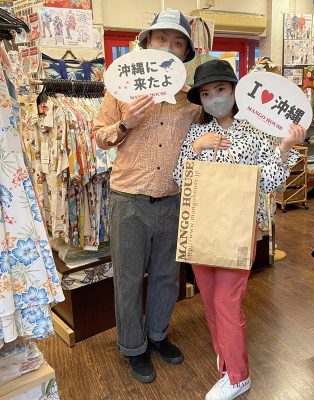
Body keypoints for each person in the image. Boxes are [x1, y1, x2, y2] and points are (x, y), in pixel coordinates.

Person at [173, 59, 306, 400]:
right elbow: (180, 179)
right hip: (201, 227)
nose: (214, 98)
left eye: (220, 89)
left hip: (238, 229)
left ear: (235, 91)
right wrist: (195, 150)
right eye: (206, 94)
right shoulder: (196, 133)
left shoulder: (255, 131)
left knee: (227, 303)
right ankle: (225, 357)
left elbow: (269, 182)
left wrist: (284, 149)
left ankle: (238, 376)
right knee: (210, 301)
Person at [93, 9, 200, 384]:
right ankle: (133, 346)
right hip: (128, 201)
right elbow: (99, 135)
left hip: (172, 200)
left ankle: (157, 335)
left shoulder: (191, 99)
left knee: (167, 277)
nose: (169, 47)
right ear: (148, 42)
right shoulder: (121, 88)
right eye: (162, 38)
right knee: (127, 279)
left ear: (185, 52)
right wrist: (126, 123)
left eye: (178, 42)